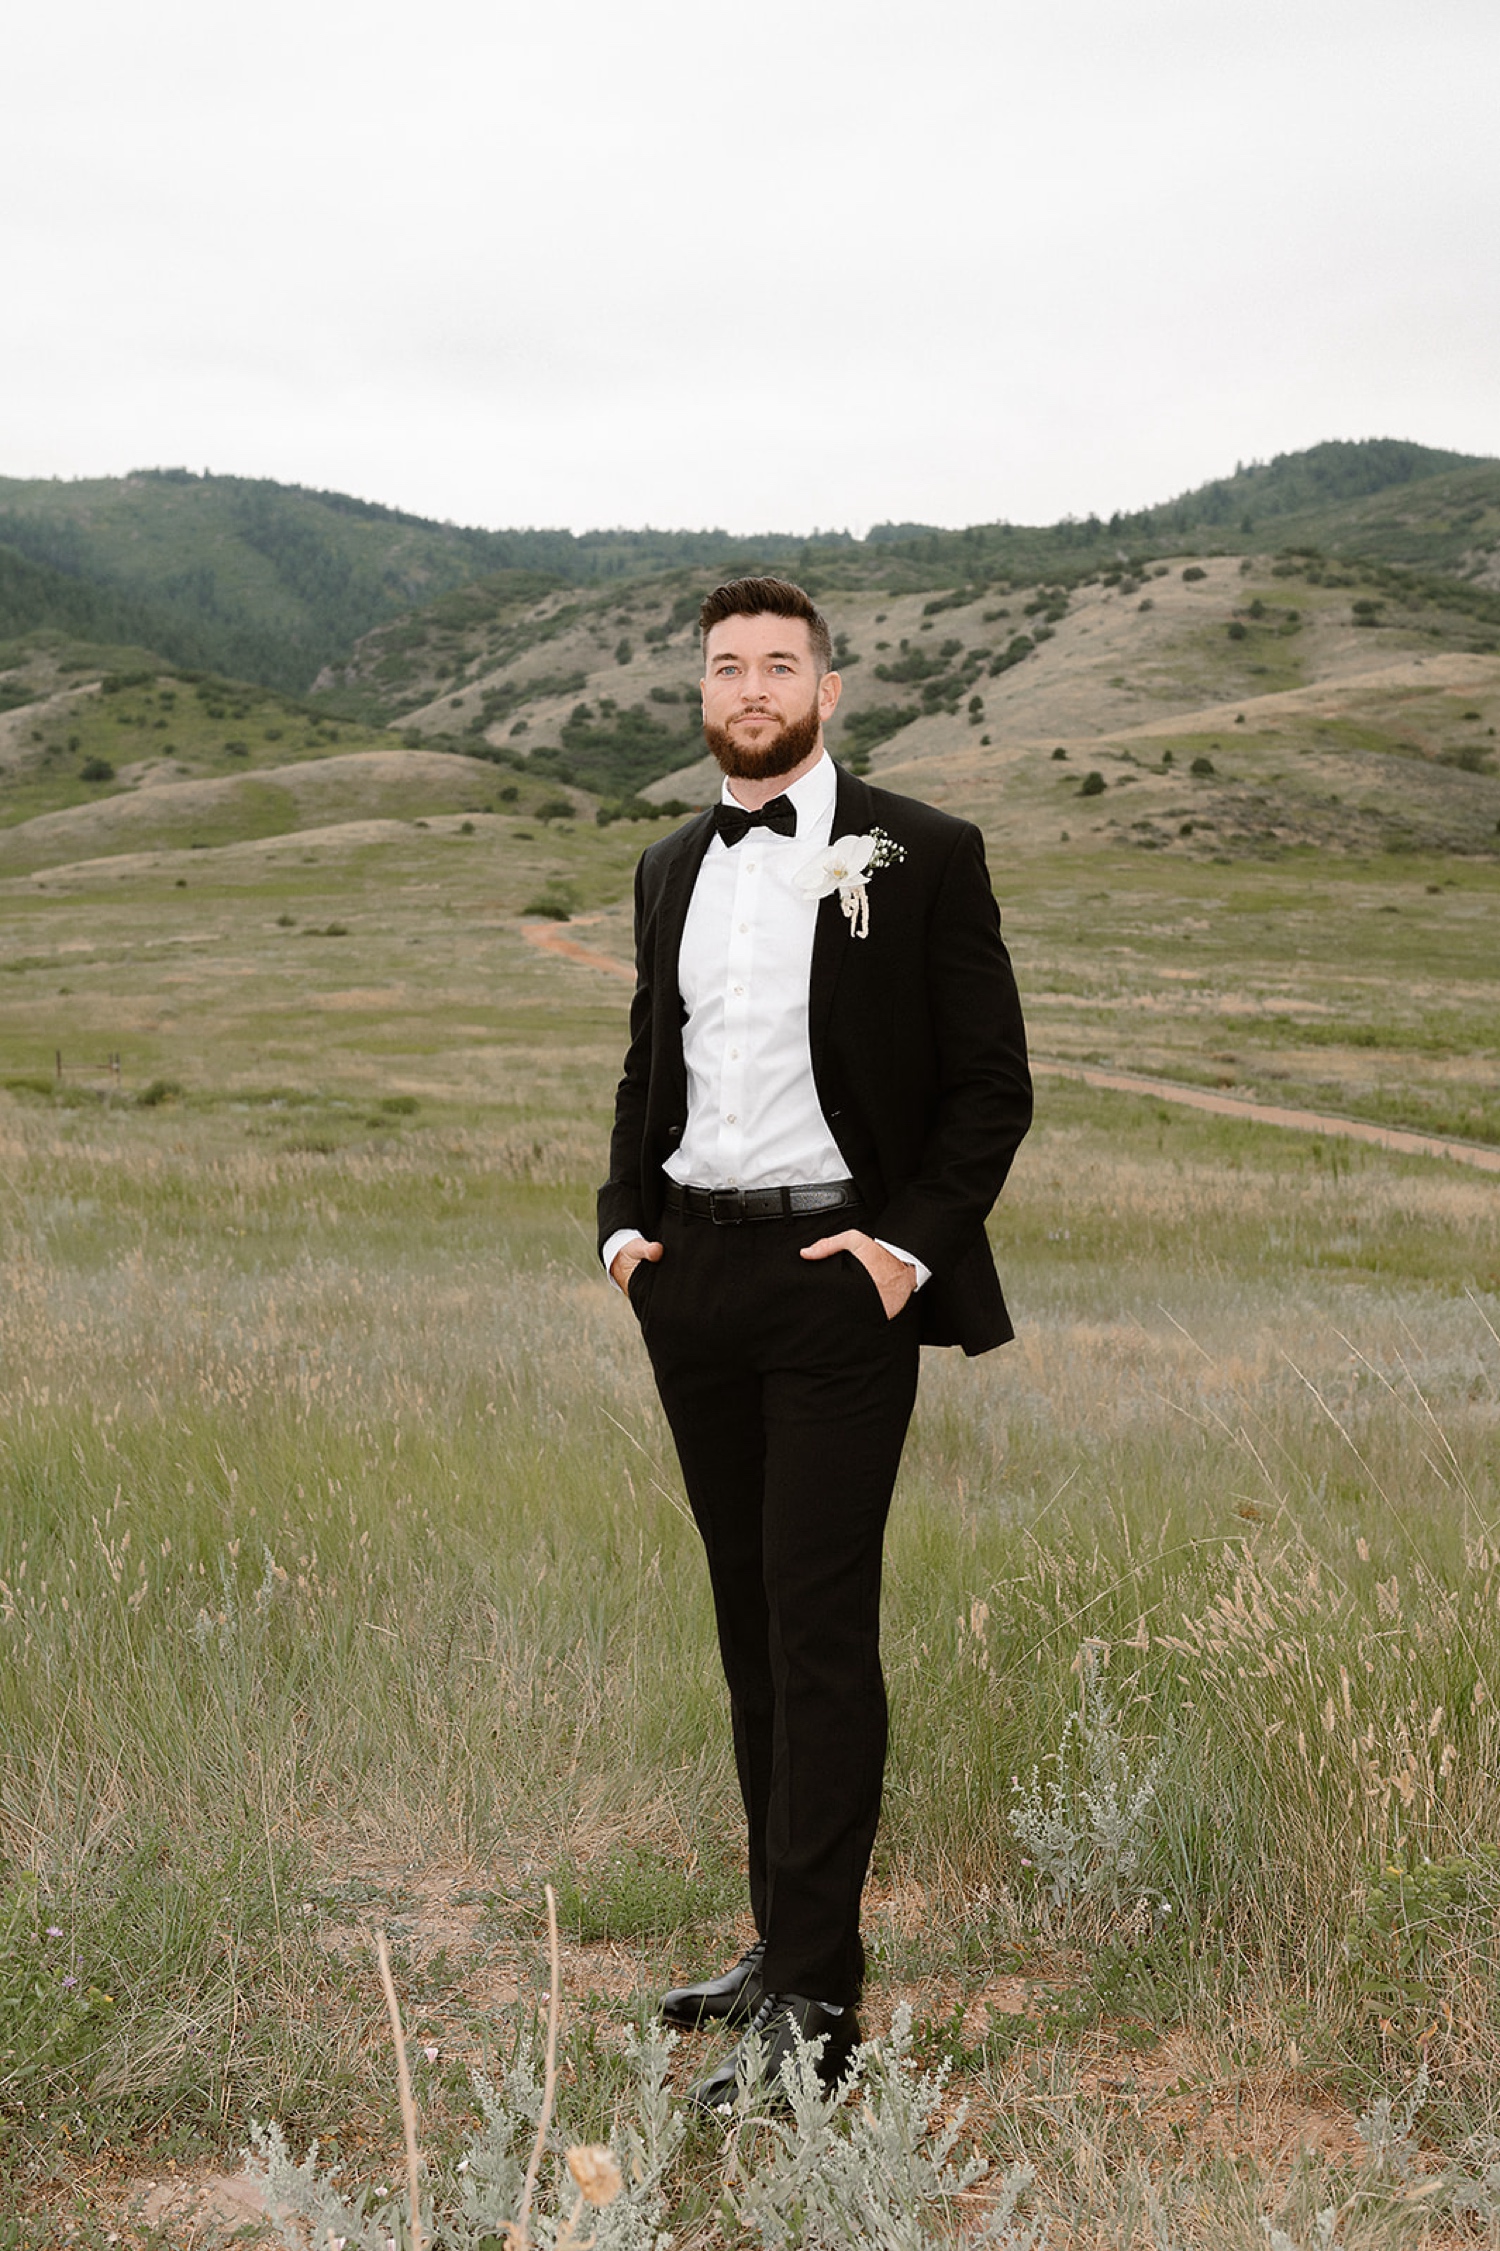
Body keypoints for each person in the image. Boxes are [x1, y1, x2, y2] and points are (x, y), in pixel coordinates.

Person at [598, 577, 1031, 2111]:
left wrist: (905, 1254)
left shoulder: (924, 854)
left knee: (819, 1623)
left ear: (829, 691)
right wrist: (621, 1230)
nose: (755, 684)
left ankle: (822, 2010)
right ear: (703, 692)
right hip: (692, 1280)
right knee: (745, 1622)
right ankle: (780, 1945)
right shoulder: (667, 864)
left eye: (782, 663)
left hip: (840, 1280)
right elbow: (655, 1059)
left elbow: (992, 1086)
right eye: (730, 665)